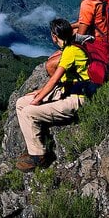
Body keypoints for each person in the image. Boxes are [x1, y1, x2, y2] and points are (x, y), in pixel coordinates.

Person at [15, 18, 92, 172]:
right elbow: (59, 81)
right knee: (21, 103)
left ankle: (39, 156)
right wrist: (38, 93)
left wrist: (38, 99)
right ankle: (32, 144)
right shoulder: (71, 46)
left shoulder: (71, 52)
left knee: (29, 112)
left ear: (54, 36)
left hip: (77, 98)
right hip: (68, 91)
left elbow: (54, 80)